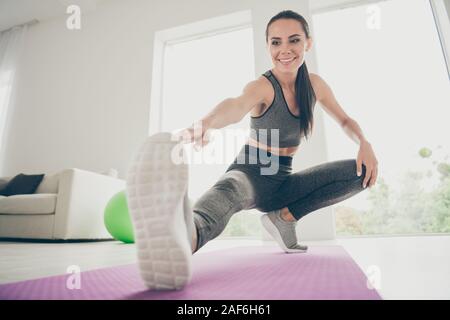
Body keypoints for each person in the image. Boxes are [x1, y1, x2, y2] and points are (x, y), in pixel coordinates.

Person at [125, 10, 378, 290]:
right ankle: (187, 236)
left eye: (293, 40)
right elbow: (234, 107)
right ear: (268, 46)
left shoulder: (315, 85)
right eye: (275, 42)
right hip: (251, 170)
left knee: (361, 172)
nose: (284, 50)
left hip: (282, 182)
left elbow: (344, 119)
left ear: (308, 42)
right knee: (229, 191)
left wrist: (364, 142)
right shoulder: (263, 86)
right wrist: (204, 124)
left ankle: (283, 218)